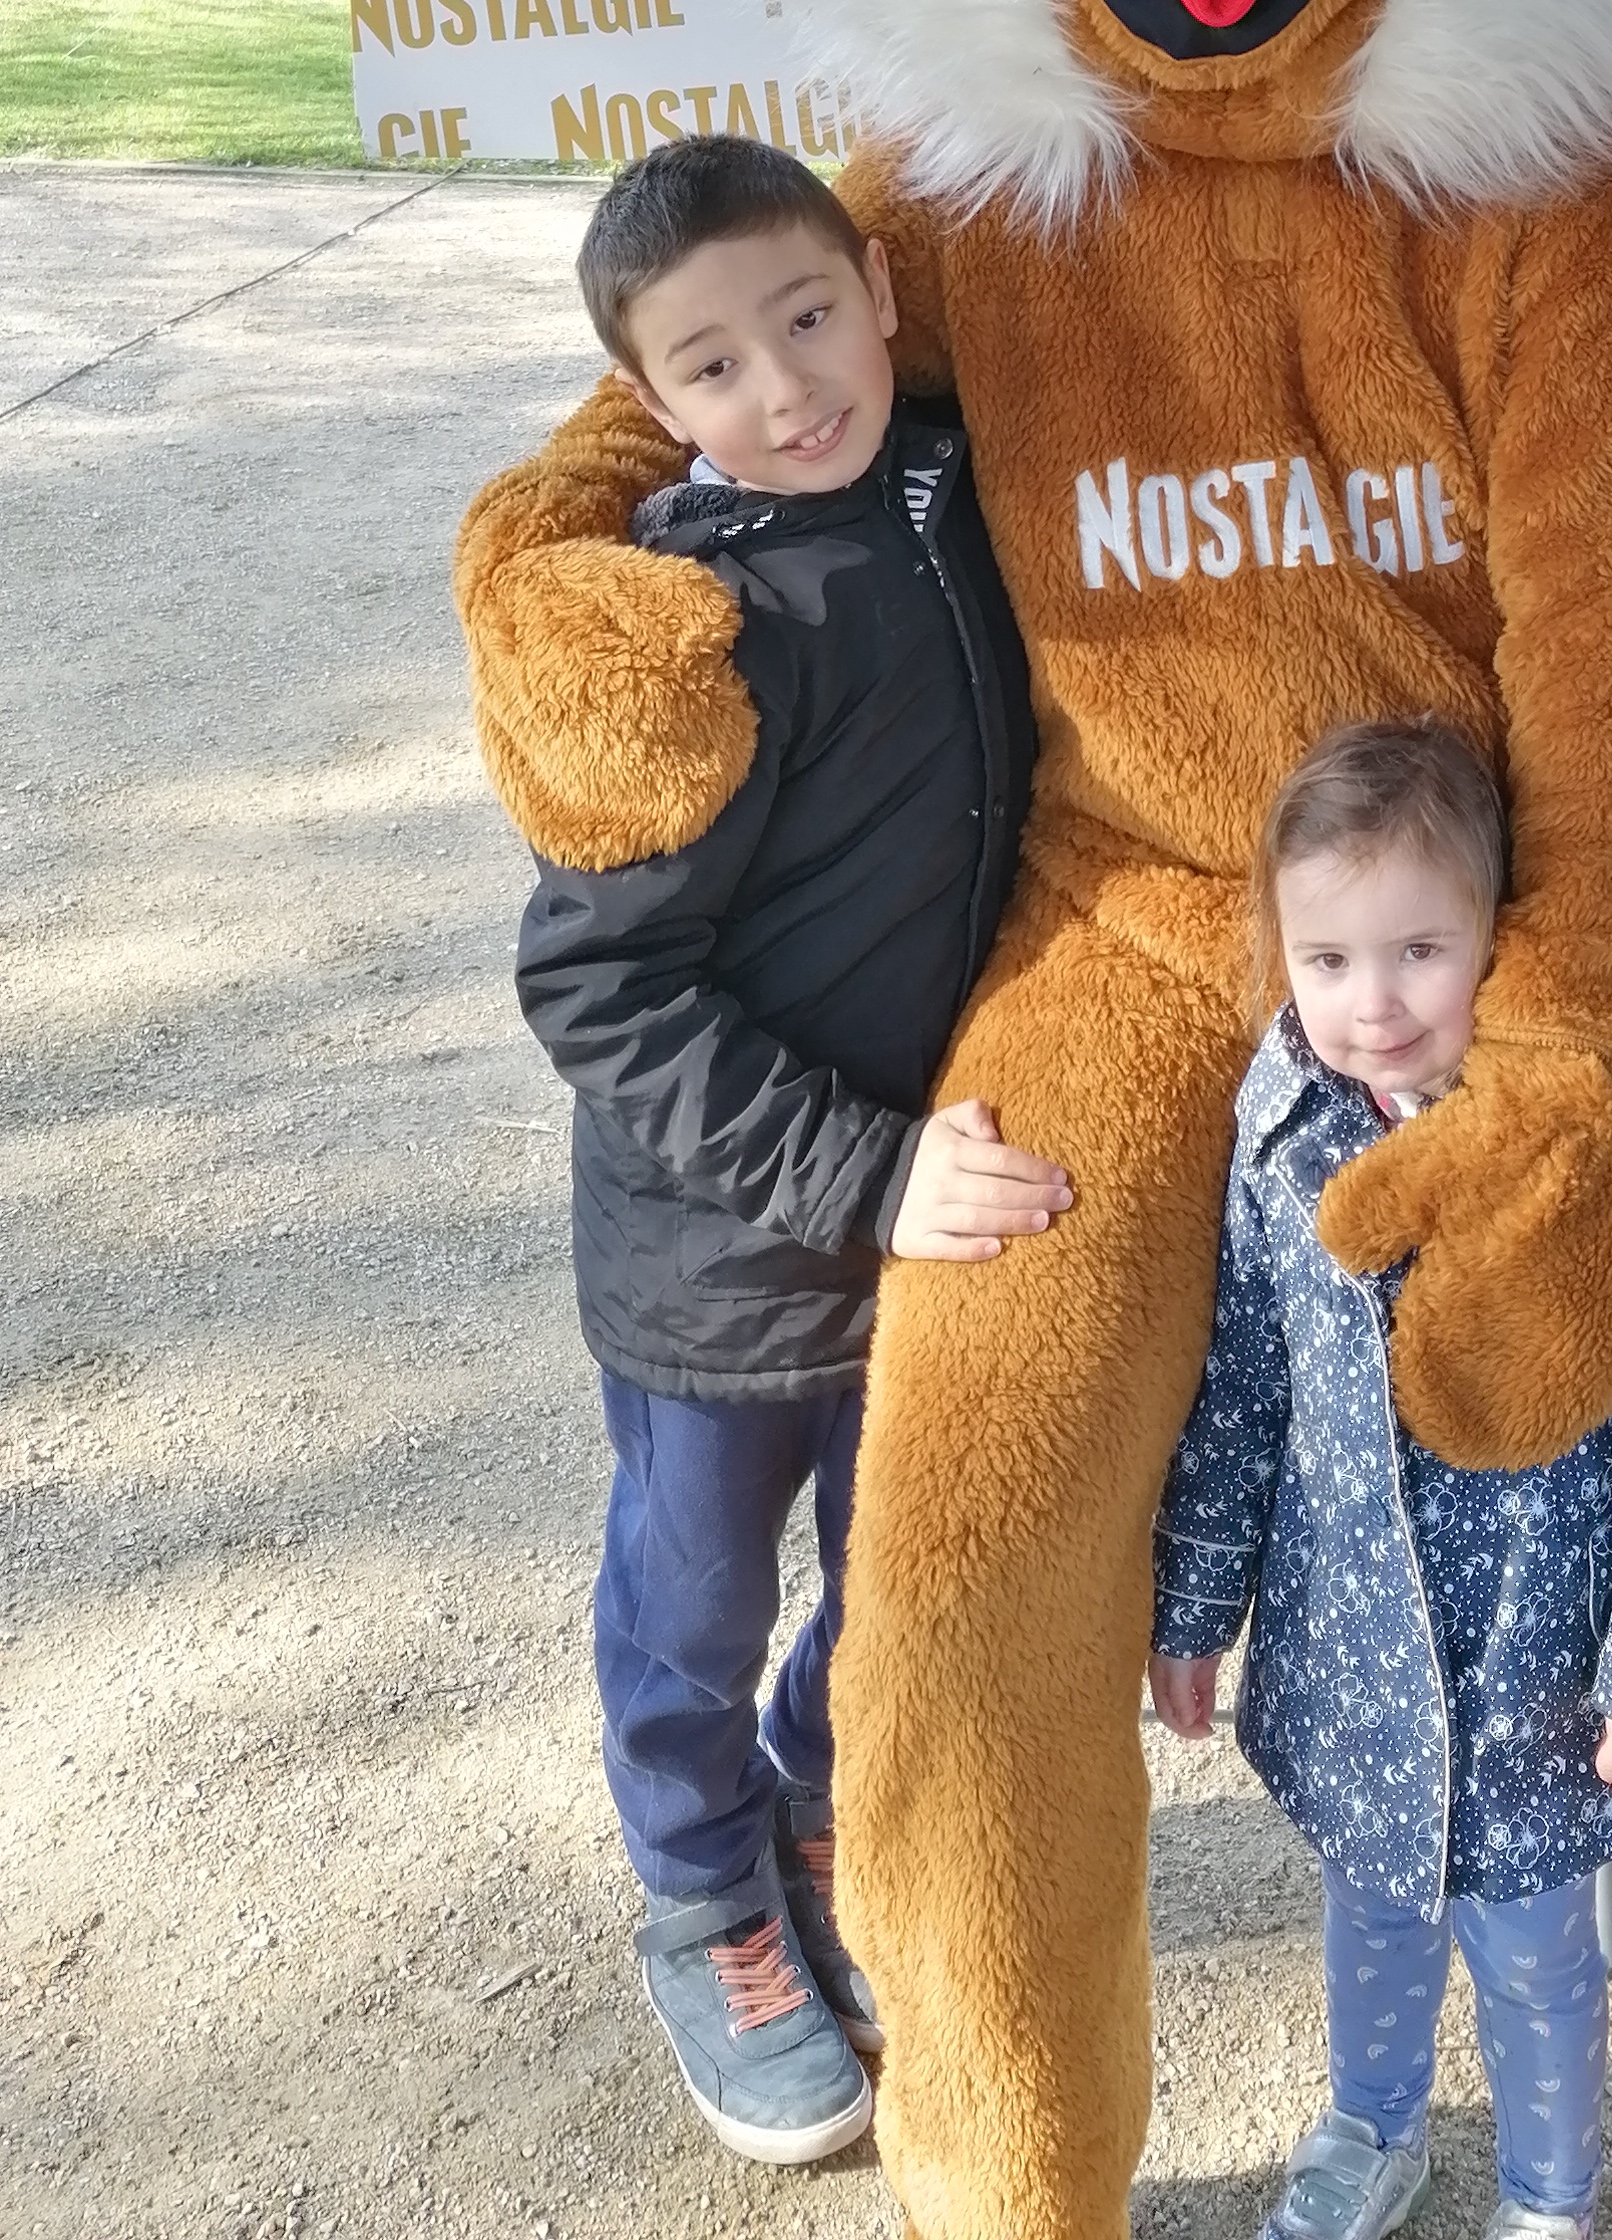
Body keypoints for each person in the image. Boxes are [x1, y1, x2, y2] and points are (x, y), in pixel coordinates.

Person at [484, 137, 1044, 2168]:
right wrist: (858, 1176)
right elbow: (598, 983)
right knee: (695, 1598)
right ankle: (706, 1889)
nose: (787, 386)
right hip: (722, 1259)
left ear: (881, 291)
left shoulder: (968, 483)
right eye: (712, 364)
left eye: (810, 316)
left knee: (898, 1578)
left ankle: (815, 1800)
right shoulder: (677, 633)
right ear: (651, 399)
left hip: (925, 1223)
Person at [1148, 717, 1612, 2240]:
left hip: (1536, 1664)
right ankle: (1372, 2126)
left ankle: (1548, 2199)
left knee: (1534, 1956)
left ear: (1496, 935)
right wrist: (1194, 1606)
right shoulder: (1283, 1130)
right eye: (1328, 961)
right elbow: (1244, 1384)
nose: (1371, 1005)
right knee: (1371, 1917)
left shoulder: (1606, 1135)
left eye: (1419, 953)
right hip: (1354, 1663)